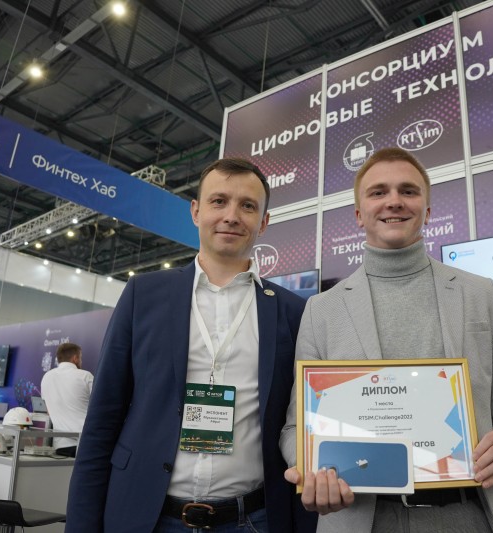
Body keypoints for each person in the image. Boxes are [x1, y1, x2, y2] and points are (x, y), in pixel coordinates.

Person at [280, 148, 493, 533]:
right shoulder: (321, 309)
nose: (394, 201)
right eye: (378, 192)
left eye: (408, 191)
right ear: (359, 214)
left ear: (427, 210)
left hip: (466, 515)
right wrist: (310, 469)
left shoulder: (480, 293)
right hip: (360, 518)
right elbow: (295, 428)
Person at [67, 158, 316, 532]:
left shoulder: (293, 311)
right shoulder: (143, 296)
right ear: (196, 211)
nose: (231, 216)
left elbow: (296, 422)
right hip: (147, 517)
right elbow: (103, 419)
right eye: (219, 201)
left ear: (263, 222)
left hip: (252, 520)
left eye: (247, 206)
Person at [40, 342, 93, 457]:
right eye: (80, 358)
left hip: (61, 447)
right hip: (86, 445)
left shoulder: (46, 377)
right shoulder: (85, 376)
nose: (81, 361)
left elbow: (48, 411)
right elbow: (101, 406)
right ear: (75, 358)